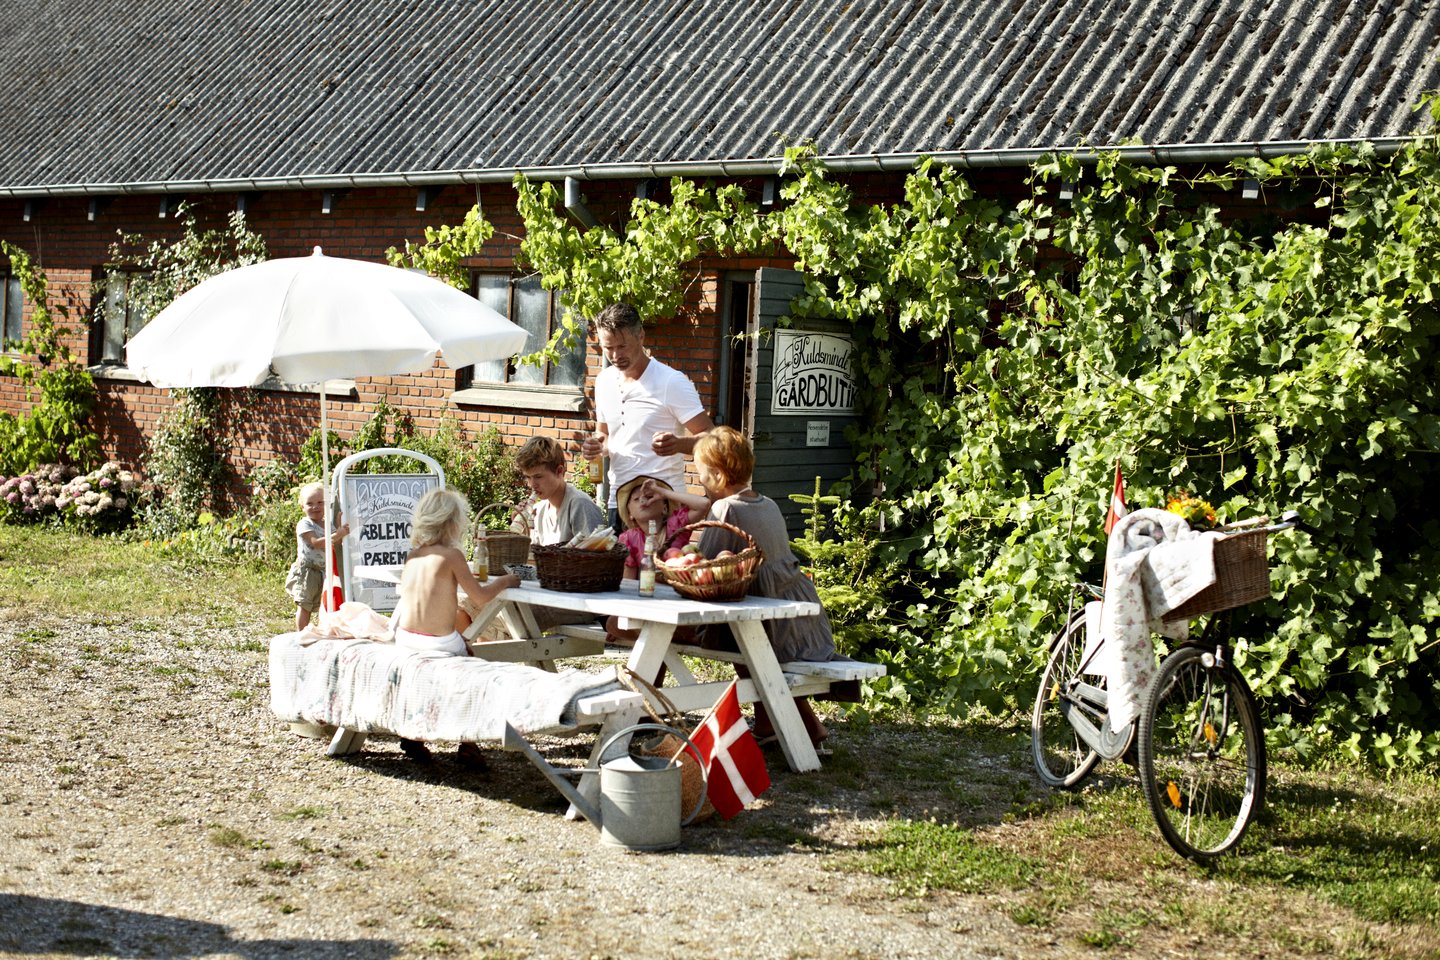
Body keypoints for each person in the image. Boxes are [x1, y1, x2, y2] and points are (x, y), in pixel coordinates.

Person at [690, 426, 837, 751]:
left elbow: (703, 566)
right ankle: (772, 722)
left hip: (767, 614)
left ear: (716, 473)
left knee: (727, 637)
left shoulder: (725, 509)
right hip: (793, 607)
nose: (700, 479)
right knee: (745, 644)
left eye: (701, 473)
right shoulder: (766, 503)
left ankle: (805, 726)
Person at [392, 487, 520, 766]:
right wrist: (506, 581)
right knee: (472, 667)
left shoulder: (414, 555)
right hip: (436, 642)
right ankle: (468, 743)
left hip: (406, 638)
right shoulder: (451, 556)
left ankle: (416, 736)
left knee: (449, 657)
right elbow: (481, 597)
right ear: (453, 524)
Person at [580, 303, 714, 532]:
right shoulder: (603, 381)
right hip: (619, 501)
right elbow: (604, 434)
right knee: (620, 569)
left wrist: (680, 444)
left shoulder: (671, 381)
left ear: (641, 336)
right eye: (608, 347)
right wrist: (596, 445)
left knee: (655, 569)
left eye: (622, 346)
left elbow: (713, 439)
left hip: (660, 506)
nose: (615, 355)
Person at [603, 474, 699, 647]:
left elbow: (703, 505)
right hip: (649, 605)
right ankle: (666, 642)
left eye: (649, 497)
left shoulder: (674, 527)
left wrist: (663, 493)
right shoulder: (629, 538)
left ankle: (673, 639)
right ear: (630, 514)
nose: (643, 501)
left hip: (678, 604)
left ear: (664, 508)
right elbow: (628, 582)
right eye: (636, 499)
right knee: (612, 622)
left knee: (651, 631)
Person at [516, 436, 605, 548]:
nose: (532, 484)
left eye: (538, 477)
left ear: (559, 471)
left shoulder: (580, 505)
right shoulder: (539, 510)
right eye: (528, 477)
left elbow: (596, 558)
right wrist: (522, 529)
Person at [284, 481, 350, 631]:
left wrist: (340, 530)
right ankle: (301, 634)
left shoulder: (327, 524)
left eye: (320, 502)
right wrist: (336, 534)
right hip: (307, 570)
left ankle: (320, 631)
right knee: (305, 604)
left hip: (323, 570)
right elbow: (316, 543)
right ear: (302, 507)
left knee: (323, 604)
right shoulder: (305, 524)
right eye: (310, 503)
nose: (315, 507)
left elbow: (336, 543)